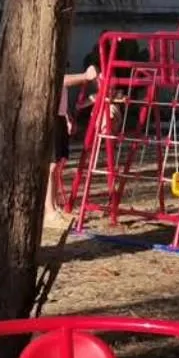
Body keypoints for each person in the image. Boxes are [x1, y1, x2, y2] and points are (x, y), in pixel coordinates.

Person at [45, 50, 101, 230]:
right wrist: (85, 76)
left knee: (58, 165)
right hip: (50, 119)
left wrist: (67, 117)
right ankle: (48, 210)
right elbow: (63, 81)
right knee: (50, 166)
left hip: (59, 117)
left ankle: (55, 207)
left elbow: (61, 95)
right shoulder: (49, 72)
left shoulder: (60, 73)